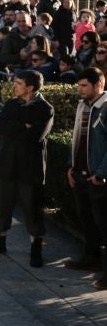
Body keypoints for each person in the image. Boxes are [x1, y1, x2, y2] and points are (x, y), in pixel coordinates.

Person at [0, 71, 54, 267]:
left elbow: (36, 136)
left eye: (19, 83)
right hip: (7, 164)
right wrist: (23, 126)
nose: (15, 86)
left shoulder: (45, 109)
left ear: (30, 87)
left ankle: (36, 249)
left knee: (32, 209)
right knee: (4, 205)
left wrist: (15, 127)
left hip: (30, 167)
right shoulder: (11, 104)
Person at [65, 67, 107, 288]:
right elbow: (76, 138)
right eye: (79, 85)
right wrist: (70, 166)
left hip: (98, 179)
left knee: (104, 225)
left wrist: (101, 175)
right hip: (80, 175)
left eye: (84, 86)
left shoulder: (105, 108)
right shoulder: (83, 105)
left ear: (98, 84)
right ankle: (90, 257)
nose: (80, 90)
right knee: (87, 222)